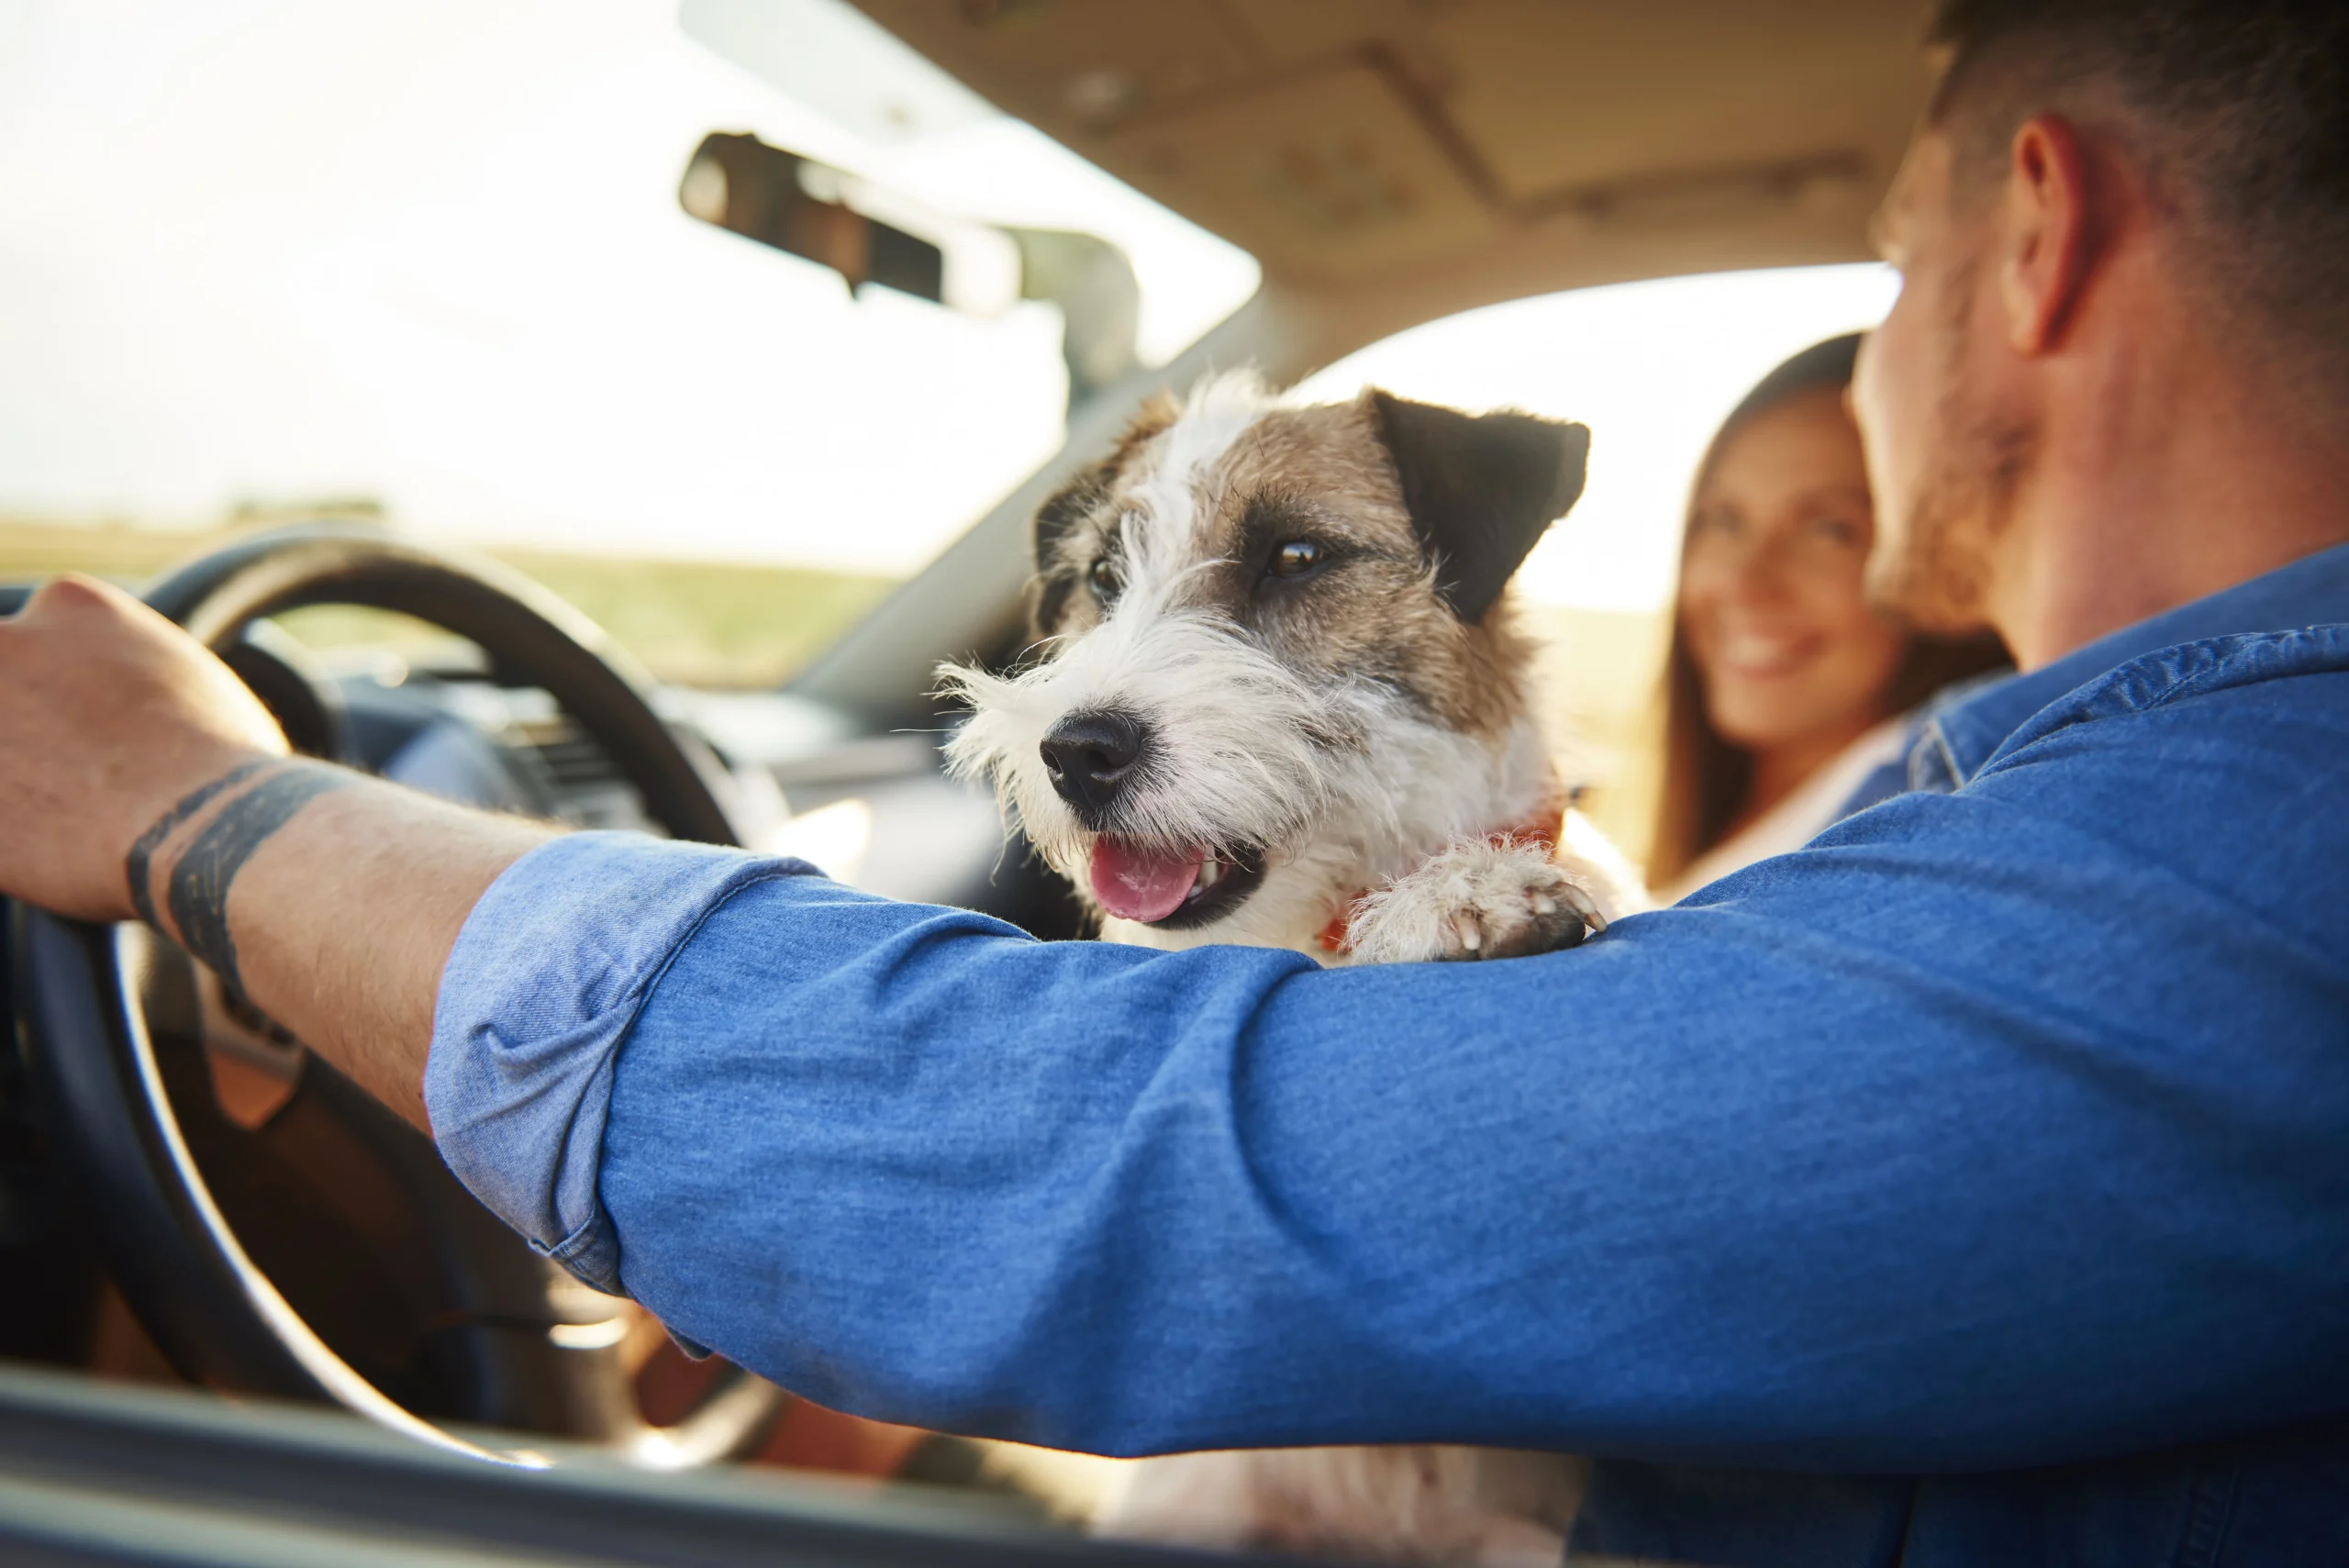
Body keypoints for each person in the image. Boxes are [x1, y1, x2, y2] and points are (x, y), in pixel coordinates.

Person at [3, 0, 2347, 1560]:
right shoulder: (2046, 822)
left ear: (2026, 237)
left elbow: (1200, 1178)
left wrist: (214, 818)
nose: (1852, 377)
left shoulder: (2249, 870)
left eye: (1886, 249)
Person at [1650, 333, 2008, 900]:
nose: (1745, 583)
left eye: (1829, 530)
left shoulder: (1908, 820)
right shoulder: (1758, 816)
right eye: (1723, 519)